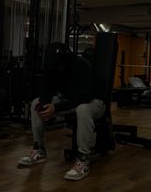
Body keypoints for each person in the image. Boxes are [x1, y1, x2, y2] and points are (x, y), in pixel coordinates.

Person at [17, 43, 105, 180]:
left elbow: (83, 98)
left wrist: (56, 108)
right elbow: (46, 92)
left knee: (82, 109)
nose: (57, 69)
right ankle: (39, 149)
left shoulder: (81, 66)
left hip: (93, 102)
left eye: (59, 65)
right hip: (71, 101)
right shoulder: (52, 67)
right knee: (36, 103)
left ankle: (83, 159)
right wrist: (45, 104)